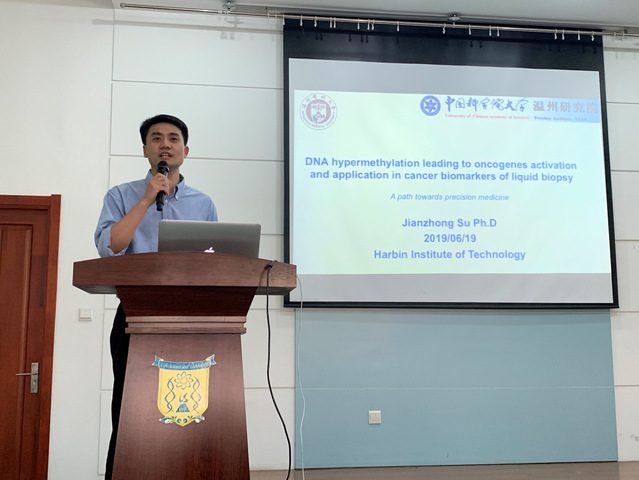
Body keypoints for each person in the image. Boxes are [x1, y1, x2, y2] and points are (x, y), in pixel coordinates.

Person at [94, 114, 218, 479]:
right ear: (145, 149)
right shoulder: (121, 195)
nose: (165, 144)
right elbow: (110, 247)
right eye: (156, 138)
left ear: (185, 150)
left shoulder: (203, 203)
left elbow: (215, 262)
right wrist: (147, 199)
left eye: (173, 138)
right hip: (136, 314)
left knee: (189, 411)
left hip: (191, 319)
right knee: (130, 407)